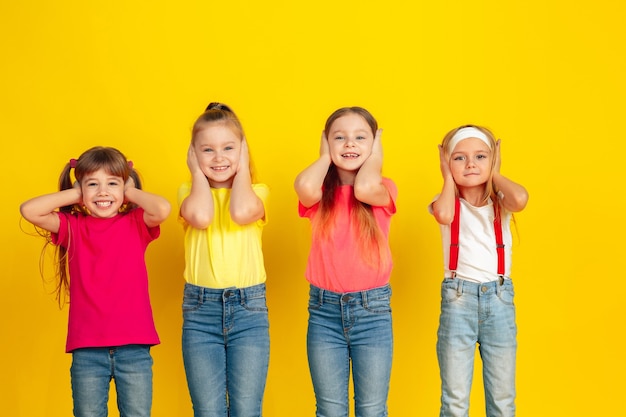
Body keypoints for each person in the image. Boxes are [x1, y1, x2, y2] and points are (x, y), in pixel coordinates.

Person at [19, 146, 171, 417]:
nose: (103, 192)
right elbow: (29, 210)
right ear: (80, 190)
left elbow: (162, 208)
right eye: (93, 184)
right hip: (87, 351)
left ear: (125, 188)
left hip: (134, 348)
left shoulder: (136, 223)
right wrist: (78, 192)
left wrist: (128, 189)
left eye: (112, 183)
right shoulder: (73, 227)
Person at [294, 107, 397, 417]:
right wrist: (325, 155)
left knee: (371, 409)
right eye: (340, 137)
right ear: (326, 143)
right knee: (329, 409)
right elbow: (303, 187)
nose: (350, 144)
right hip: (324, 313)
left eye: (360, 138)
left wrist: (375, 154)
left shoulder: (383, 188)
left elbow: (364, 187)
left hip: (373, 312)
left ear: (374, 145)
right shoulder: (319, 193)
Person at [430, 125, 529, 417]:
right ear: (447, 162)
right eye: (459, 158)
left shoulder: (501, 204)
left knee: (502, 400)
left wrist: (495, 172)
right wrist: (447, 176)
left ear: (493, 158)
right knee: (455, 401)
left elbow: (521, 199)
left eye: (481, 156)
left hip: (498, 301)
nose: (470, 163)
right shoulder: (446, 203)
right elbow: (444, 215)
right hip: (457, 301)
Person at [178, 102, 270, 417]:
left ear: (243, 151)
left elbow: (240, 212)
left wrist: (242, 168)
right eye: (207, 150)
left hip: (249, 310)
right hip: (200, 312)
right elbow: (202, 216)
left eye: (229, 148)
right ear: (193, 154)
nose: (219, 158)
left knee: (246, 409)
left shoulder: (257, 192)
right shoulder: (187, 194)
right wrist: (195, 174)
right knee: (208, 410)